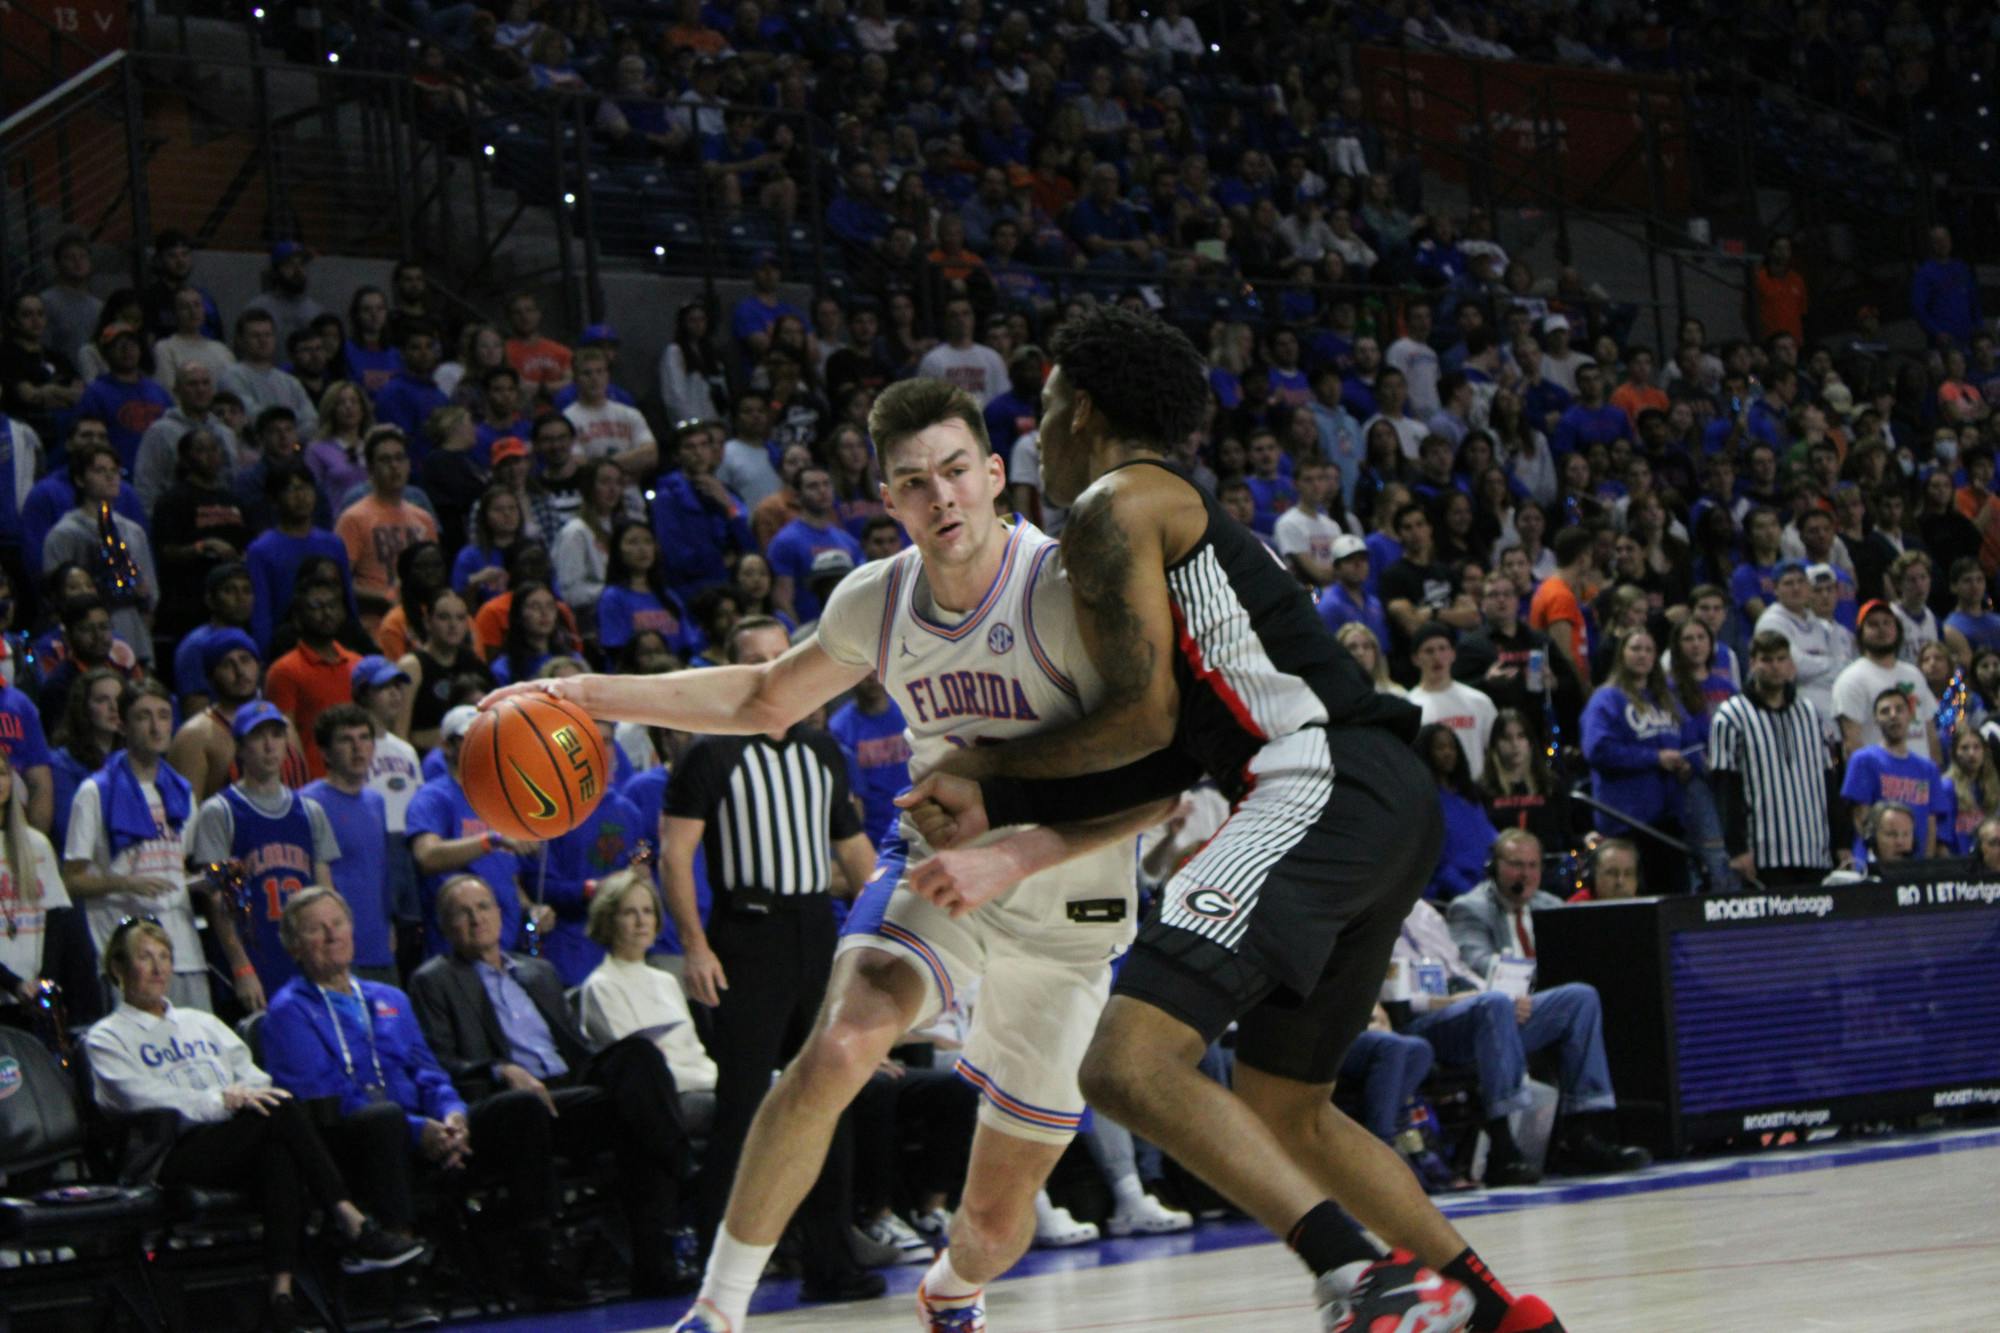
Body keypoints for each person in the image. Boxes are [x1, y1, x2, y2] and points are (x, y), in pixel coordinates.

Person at [485, 378, 1197, 1333]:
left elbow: (1164, 777)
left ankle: (953, 1287)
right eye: (915, 481)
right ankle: (716, 1311)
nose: (941, 496)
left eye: (956, 471)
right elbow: (763, 697)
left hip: (1070, 909)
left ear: (995, 476)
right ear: (889, 499)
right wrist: (585, 695)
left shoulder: (1069, 589)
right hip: (938, 871)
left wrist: (1017, 853)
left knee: (995, 1222)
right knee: (839, 1046)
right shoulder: (880, 598)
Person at [898, 307, 1556, 1332]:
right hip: (1378, 796)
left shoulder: (1117, 500)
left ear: (1086, 409)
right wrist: (1007, 797)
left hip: (1316, 778)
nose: (1037, 429)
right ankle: (1499, 1313)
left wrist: (982, 764)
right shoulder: (1170, 512)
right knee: (1286, 1105)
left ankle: (1361, 1276)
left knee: (1124, 1061)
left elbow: (1139, 718)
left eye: (1049, 405)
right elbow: (1165, 752)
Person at [86, 917, 425, 1333]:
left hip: (234, 1139)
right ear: (118, 968)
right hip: (167, 1153)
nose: (158, 969)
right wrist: (222, 1100)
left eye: (165, 957)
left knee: (278, 1147)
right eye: (145, 958)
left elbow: (253, 1077)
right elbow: (137, 1096)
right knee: (279, 1113)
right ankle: (350, 1220)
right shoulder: (106, 1037)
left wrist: (244, 1095)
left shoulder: (202, 1023)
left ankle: (281, 1300)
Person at [410, 873, 698, 1302]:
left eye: (484, 907)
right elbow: (439, 1059)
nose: (476, 919)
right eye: (462, 913)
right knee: (527, 1106)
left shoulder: (539, 972)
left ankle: (654, 1260)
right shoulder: (434, 980)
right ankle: (541, 1266)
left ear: (501, 914)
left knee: (638, 1058)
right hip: (498, 1103)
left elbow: (577, 1047)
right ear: (445, 925)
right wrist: (501, 1069)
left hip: (566, 1091)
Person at [1389, 850, 1649, 1187]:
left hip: (1477, 1009)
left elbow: (1462, 970)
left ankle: (1582, 1133)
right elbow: (1393, 996)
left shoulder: (1425, 914)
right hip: (1425, 1022)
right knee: (1493, 1003)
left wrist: (1503, 997)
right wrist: (1474, 998)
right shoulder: (1368, 919)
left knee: (1578, 998)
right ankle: (1503, 1148)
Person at [62, 681, 216, 1013]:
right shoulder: (94, 792)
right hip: (127, 959)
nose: (156, 727)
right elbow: (71, 880)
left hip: (183, 951)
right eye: (144, 717)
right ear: (122, 724)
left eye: (164, 716)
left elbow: (177, 870)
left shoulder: (181, 791)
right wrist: (126, 883)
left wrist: (204, 883)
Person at [186, 700, 340, 1005]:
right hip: (254, 957)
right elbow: (218, 899)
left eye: (276, 735)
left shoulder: (310, 811)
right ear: (240, 748)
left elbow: (326, 893)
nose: (270, 746)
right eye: (258, 737)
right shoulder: (221, 811)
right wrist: (241, 966)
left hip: (305, 955)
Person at [573, 867, 720, 1125]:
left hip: (702, 1084)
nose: (641, 922)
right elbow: (640, 1073)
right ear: (608, 921)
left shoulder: (667, 981)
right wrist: (716, 1082)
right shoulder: (602, 986)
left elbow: (693, 1052)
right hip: (663, 1102)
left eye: (648, 911)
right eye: (630, 912)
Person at [1710, 632, 1847, 888]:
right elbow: (1726, 788)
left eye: (1781, 659)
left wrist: (1841, 842)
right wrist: (1737, 848)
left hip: (1814, 850)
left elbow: (1828, 780)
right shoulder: (1730, 717)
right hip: (1763, 854)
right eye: (1767, 660)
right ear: (1752, 663)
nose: (1775, 666)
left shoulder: (1811, 714)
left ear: (1791, 664)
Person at [405, 705, 544, 953]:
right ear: (447, 746)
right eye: (469, 738)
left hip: (506, 945)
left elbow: (507, 876)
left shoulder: (500, 799)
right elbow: (427, 856)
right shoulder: (433, 797)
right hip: (458, 950)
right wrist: (491, 840)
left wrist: (530, 908)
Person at [1581, 627, 1692, 894]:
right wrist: (1654, 758)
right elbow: (1597, 750)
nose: (1642, 655)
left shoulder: (1666, 699)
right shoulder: (1606, 699)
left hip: (1668, 824)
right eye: (1635, 648)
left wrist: (1689, 764)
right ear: (1622, 654)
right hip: (1626, 823)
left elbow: (1691, 739)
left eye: (1648, 650)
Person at [301, 703, 399, 982]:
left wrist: (389, 922)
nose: (358, 748)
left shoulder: (376, 801)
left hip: (379, 943)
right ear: (325, 753)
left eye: (364, 738)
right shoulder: (309, 803)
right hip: (335, 947)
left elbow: (381, 870)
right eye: (346, 740)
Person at [0, 745, 75, 1015]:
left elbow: (54, 916)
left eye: (2, 773)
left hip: (33, 999)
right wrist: (14, 984)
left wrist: (43, 982)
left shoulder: (37, 845)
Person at [264, 580, 362, 779]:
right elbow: (282, 737)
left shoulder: (358, 663)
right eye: (316, 607)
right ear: (298, 618)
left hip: (360, 777)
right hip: (311, 782)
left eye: (332, 605)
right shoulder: (284, 670)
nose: (327, 613)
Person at [1841, 689, 1949, 861]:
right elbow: (1860, 817)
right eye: (1885, 711)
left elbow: (1931, 822)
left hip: (1915, 865)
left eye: (1899, 709)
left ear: (1910, 715)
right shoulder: (1863, 760)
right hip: (1875, 863)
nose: (1893, 715)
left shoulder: (1928, 769)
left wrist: (1926, 866)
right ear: (1876, 720)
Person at [1832, 600, 1940, 761]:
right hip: (1881, 773)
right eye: (1873, 624)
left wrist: (1935, 769)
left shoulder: (1914, 674)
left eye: (1887, 623)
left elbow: (1930, 732)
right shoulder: (1851, 679)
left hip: (1919, 772)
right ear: (1861, 633)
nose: (1882, 629)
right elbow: (1852, 743)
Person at [766, 463, 864, 624]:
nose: (822, 491)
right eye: (813, 486)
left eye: (826, 484)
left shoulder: (848, 541)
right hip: (809, 627)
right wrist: (799, 634)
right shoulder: (785, 541)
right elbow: (782, 600)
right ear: (797, 496)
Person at [1410, 623, 1497, 781]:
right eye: (1429, 651)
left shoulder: (1479, 701)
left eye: (1443, 649)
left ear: (1453, 654)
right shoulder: (1409, 706)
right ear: (1416, 659)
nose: (1437, 657)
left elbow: (1494, 749)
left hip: (1475, 788)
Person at [1527, 524, 1597, 688]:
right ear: (1582, 559)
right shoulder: (1560, 595)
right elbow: (1563, 653)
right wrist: (1583, 688)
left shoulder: (1551, 588)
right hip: (1563, 688)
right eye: (1590, 555)